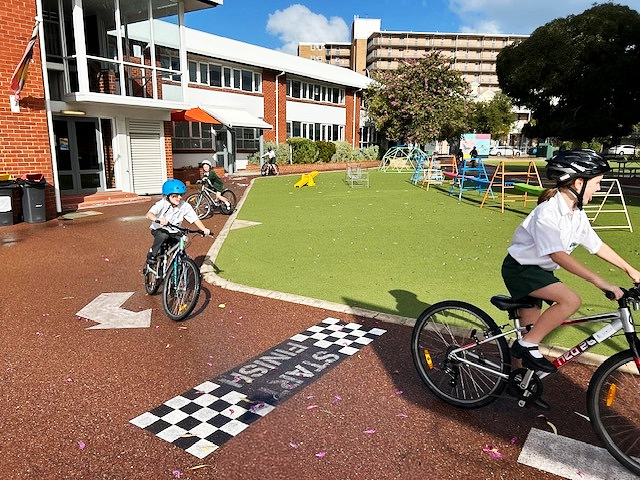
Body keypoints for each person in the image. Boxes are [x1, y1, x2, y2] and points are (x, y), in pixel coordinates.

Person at [501, 149, 640, 373]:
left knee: (531, 330)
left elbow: (597, 246)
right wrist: (601, 282)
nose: (599, 188)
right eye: (597, 182)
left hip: (539, 272)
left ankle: (518, 380)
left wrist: (632, 271)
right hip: (521, 269)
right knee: (571, 301)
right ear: (578, 184)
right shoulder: (547, 213)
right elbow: (557, 254)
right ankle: (526, 345)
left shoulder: (577, 214)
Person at [145, 179, 211, 265]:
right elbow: (149, 214)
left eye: (180, 195)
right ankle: (152, 254)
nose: (179, 198)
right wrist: (158, 219)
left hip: (174, 231)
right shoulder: (162, 203)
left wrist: (203, 229)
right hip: (159, 229)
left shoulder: (185, 206)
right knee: (163, 235)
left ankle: (177, 268)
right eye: (175, 196)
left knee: (181, 245)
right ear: (168, 196)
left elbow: (195, 219)